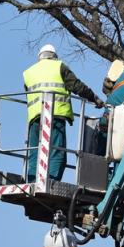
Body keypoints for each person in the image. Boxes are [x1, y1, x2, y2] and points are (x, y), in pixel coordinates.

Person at [23, 44, 104, 182]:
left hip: (35, 118)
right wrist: (94, 98)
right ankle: (52, 180)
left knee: (35, 151)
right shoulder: (59, 66)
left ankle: (32, 182)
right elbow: (76, 86)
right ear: (54, 56)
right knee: (56, 151)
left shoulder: (28, 72)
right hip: (55, 115)